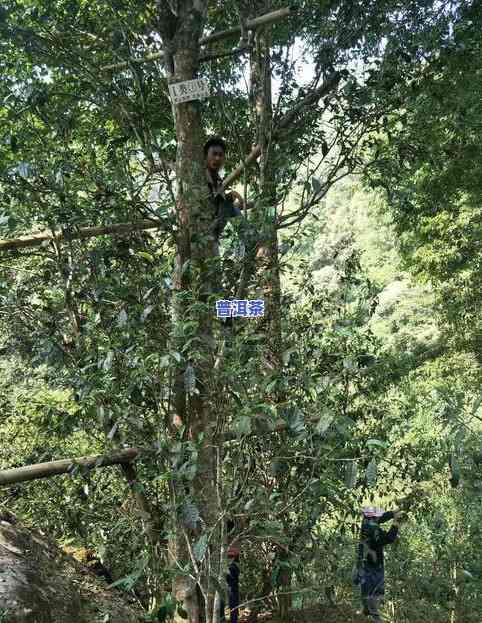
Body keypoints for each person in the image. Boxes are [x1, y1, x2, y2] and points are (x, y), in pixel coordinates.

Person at [353, 506, 401, 623]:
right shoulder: (374, 530)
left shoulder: (366, 523)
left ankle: (365, 611)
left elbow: (381, 518)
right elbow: (389, 538)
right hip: (374, 564)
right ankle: (374, 617)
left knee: (366, 587)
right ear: (373, 518)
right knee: (375, 589)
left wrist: (393, 512)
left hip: (363, 561)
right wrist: (395, 524)